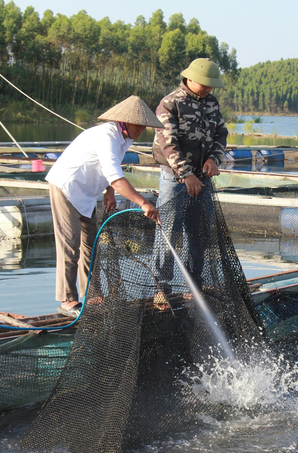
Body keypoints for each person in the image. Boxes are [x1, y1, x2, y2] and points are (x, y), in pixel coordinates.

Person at [46, 95, 163, 317]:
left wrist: (108, 191)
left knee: (91, 244)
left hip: (87, 192)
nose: (141, 131)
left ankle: (93, 295)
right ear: (124, 122)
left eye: (143, 127)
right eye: (138, 126)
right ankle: (67, 301)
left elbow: (111, 168)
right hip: (67, 186)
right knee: (70, 245)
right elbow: (115, 175)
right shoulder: (106, 136)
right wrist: (143, 202)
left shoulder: (124, 138)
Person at [151, 58, 228, 299]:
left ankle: (196, 284)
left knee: (200, 232)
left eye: (211, 85)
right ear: (190, 79)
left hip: (203, 179)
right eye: (205, 84)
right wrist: (186, 175)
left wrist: (214, 159)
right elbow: (167, 143)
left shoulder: (212, 103)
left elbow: (221, 134)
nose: (208, 89)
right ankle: (162, 287)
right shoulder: (170, 103)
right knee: (168, 232)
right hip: (175, 180)